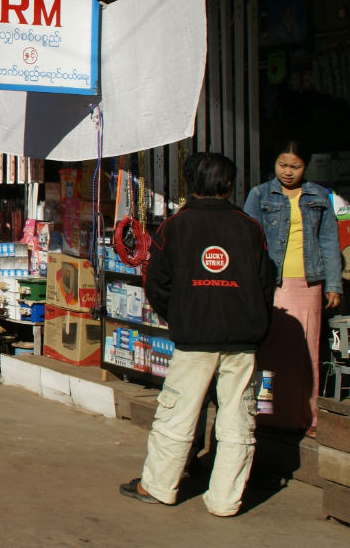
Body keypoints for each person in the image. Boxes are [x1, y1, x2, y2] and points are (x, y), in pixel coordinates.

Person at [121, 152, 274, 517]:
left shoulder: (175, 226)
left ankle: (158, 486)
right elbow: (267, 283)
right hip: (242, 338)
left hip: (194, 338)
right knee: (238, 419)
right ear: (229, 185)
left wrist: (179, 316)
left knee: (177, 412)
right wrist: (255, 325)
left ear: (190, 184)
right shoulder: (249, 226)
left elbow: (156, 283)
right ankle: (225, 500)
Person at [243, 140, 343, 437]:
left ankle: (305, 417)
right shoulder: (259, 194)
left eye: (295, 166)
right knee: (268, 352)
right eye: (282, 165)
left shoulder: (319, 196)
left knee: (306, 353)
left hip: (308, 283)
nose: (287, 172)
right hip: (270, 284)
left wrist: (333, 284)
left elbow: (328, 241)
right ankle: (264, 414)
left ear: (306, 165)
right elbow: (249, 242)